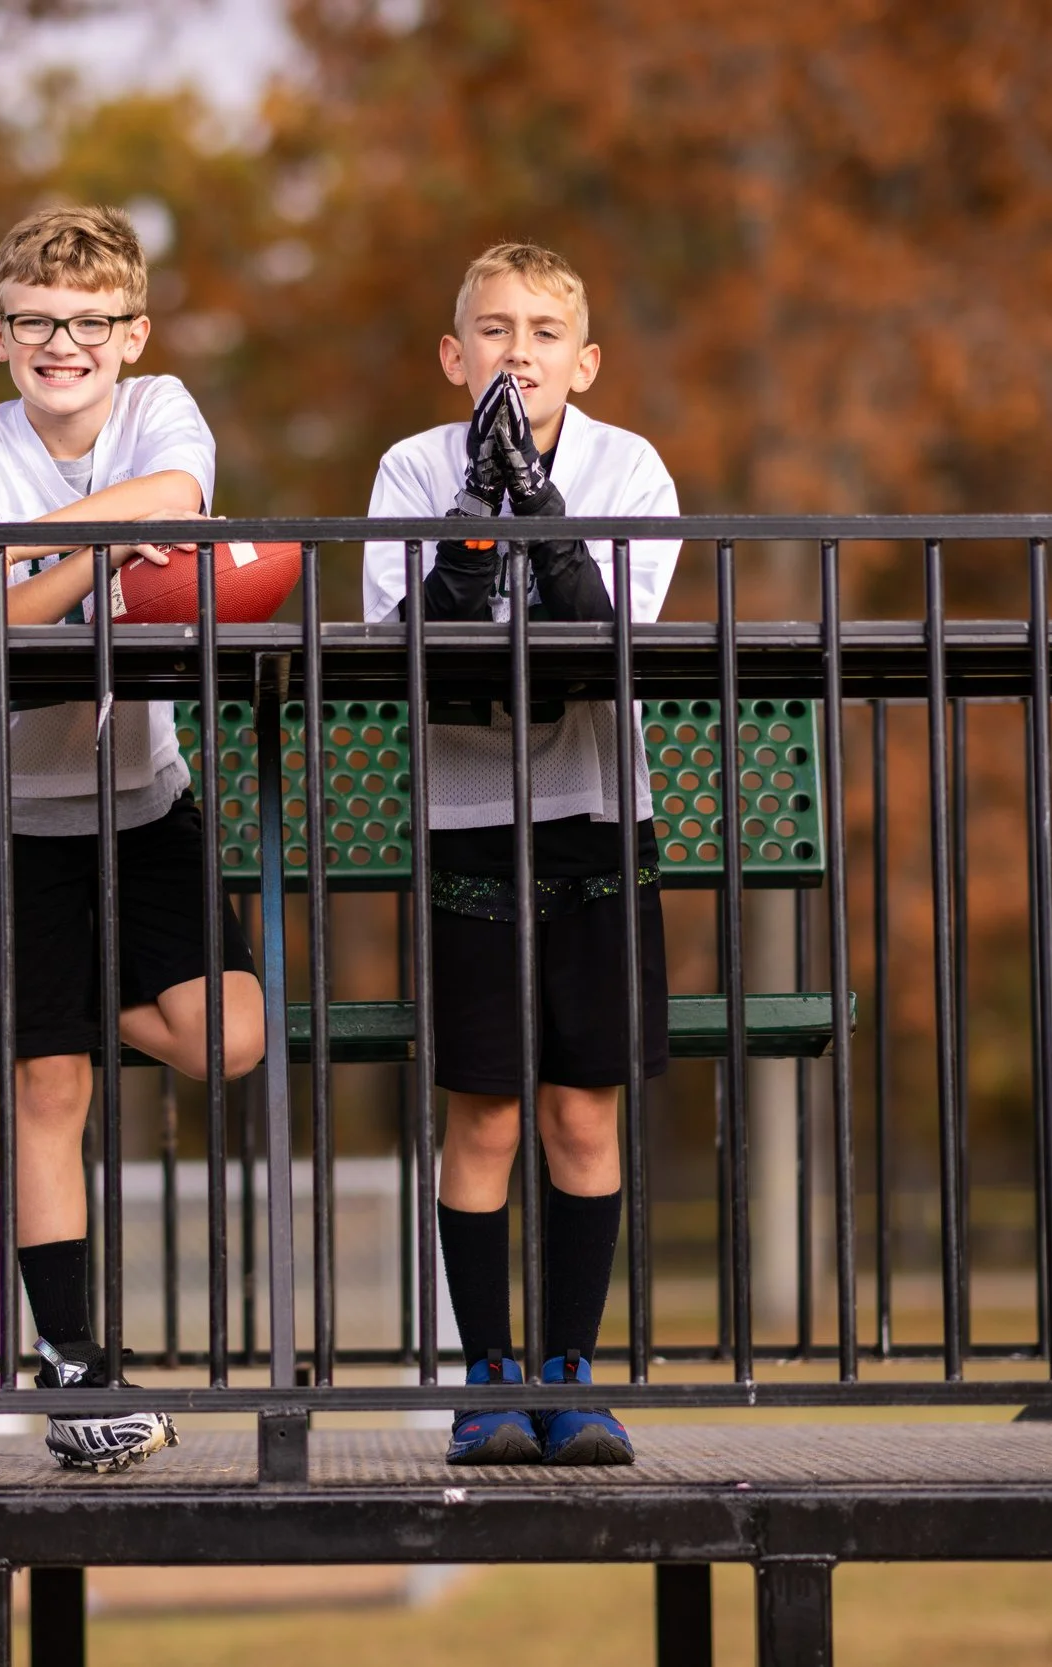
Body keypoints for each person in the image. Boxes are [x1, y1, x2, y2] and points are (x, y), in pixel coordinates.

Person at [0, 204, 265, 1472]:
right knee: (48, 1083)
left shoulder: (162, 411)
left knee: (228, 1038)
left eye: (88, 322)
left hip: (144, 805)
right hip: (6, 814)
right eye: (34, 322)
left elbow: (178, 494)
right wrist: (80, 555)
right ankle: (76, 1372)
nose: (61, 342)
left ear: (131, 334)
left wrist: (32, 564)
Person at [362, 242, 680, 1466]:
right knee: (485, 1112)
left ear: (584, 360)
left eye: (544, 332)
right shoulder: (411, 467)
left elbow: (612, 650)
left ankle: (572, 1370)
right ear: (456, 356)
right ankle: (486, 1370)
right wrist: (470, 538)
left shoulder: (629, 467)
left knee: (580, 1110)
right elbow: (407, 656)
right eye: (492, 331)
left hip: (596, 809)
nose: (518, 352)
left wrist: (548, 527)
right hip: (466, 813)